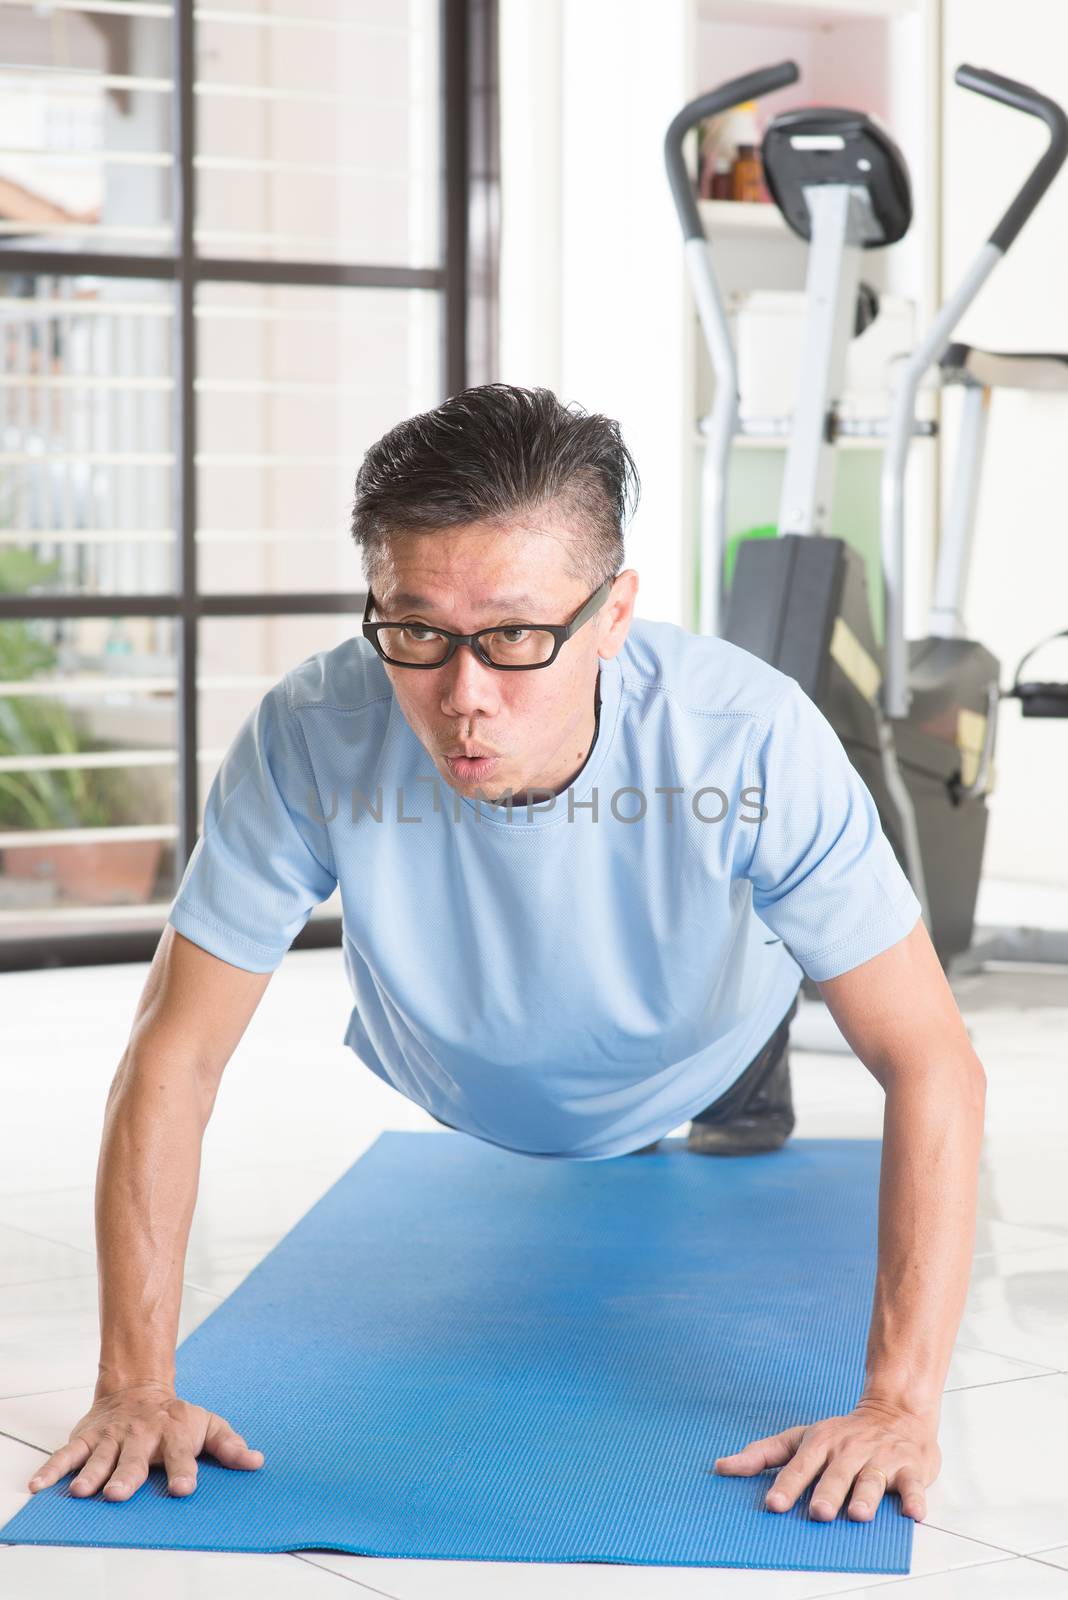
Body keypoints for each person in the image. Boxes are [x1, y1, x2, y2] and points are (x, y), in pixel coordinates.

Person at [26, 384, 985, 1533]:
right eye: (417, 631)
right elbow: (169, 1056)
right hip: (455, 1066)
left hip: (701, 1043)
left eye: (519, 637)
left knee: (764, 1007)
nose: (463, 696)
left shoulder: (755, 737)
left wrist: (898, 1403)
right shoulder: (312, 727)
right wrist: (132, 1382)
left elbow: (935, 1060)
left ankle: (748, 1034)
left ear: (615, 613)